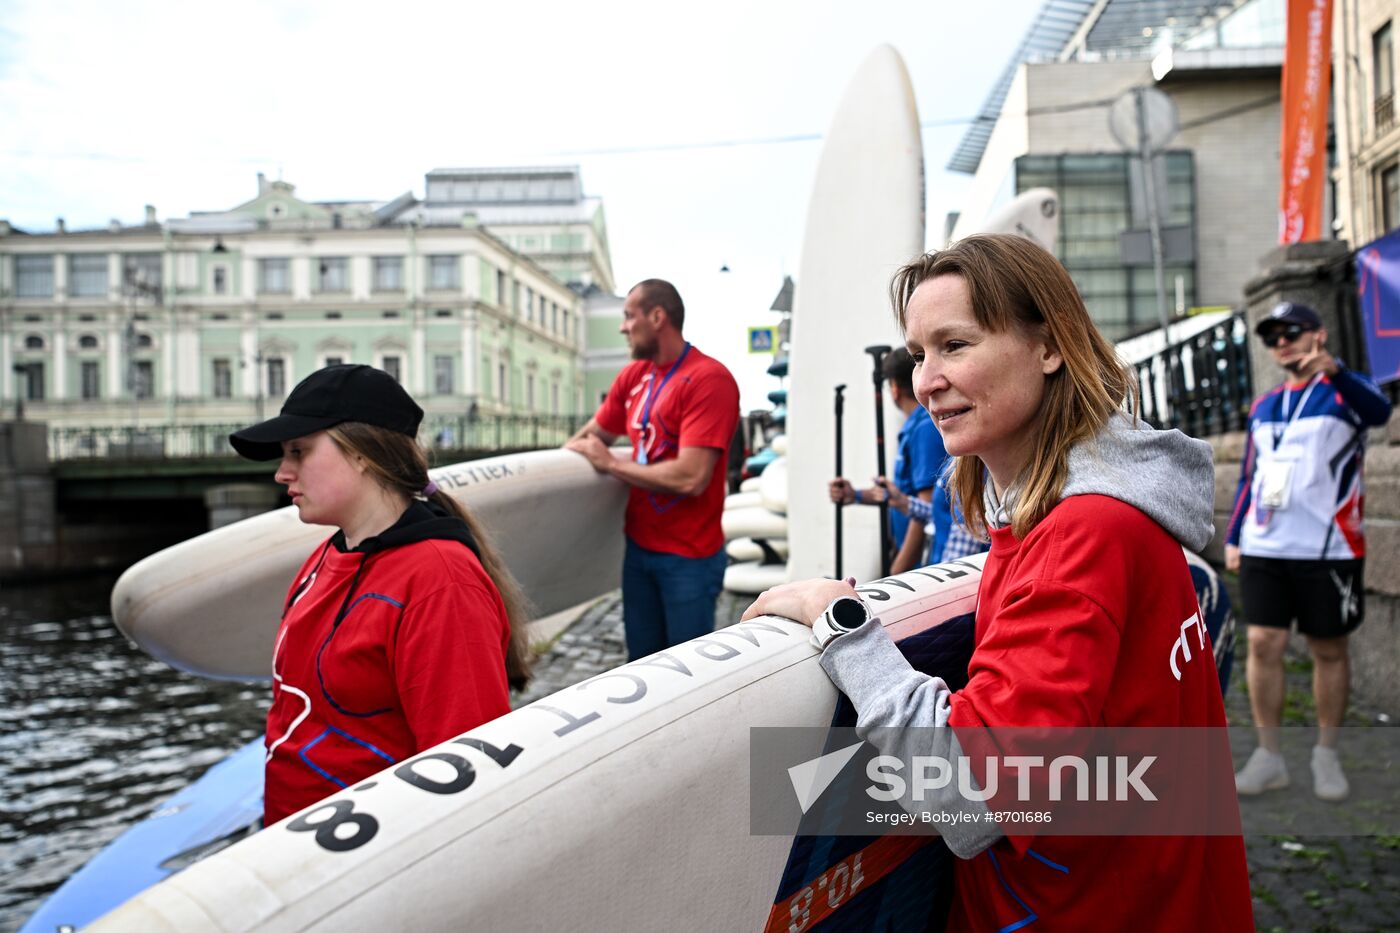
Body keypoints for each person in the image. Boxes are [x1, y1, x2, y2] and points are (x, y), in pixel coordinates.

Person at [743, 234, 1252, 930]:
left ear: (1049, 347)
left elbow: (971, 796)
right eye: (920, 354)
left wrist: (839, 619)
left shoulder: (1083, 534)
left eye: (955, 345)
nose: (925, 380)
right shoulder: (1105, 510)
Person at [229, 364, 531, 824]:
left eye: (298, 451)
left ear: (361, 453)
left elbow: (471, 771)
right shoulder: (326, 557)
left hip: (371, 859)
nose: (282, 472)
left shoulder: (440, 581)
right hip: (296, 847)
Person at [1226, 301, 1392, 801]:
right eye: (1273, 336)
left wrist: (1336, 372)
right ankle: (1270, 755)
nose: (1282, 343)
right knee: (1262, 645)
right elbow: (1250, 478)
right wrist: (1234, 535)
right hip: (1265, 545)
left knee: (1327, 648)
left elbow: (1380, 411)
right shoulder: (1266, 405)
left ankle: (1325, 752)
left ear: (1318, 335)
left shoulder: (1343, 393)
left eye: (1291, 332)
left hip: (1329, 547)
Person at [565, 279, 740, 660]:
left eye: (629, 316)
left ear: (657, 317)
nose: (623, 327)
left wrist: (611, 464)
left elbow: (692, 477)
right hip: (640, 550)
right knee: (640, 664)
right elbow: (593, 436)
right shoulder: (633, 376)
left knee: (685, 676)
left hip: (688, 558)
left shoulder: (710, 379)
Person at [827, 348, 946, 574]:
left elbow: (927, 508)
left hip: (921, 568)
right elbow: (904, 495)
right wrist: (856, 495)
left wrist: (898, 569)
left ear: (893, 389)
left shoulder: (923, 429)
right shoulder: (915, 428)